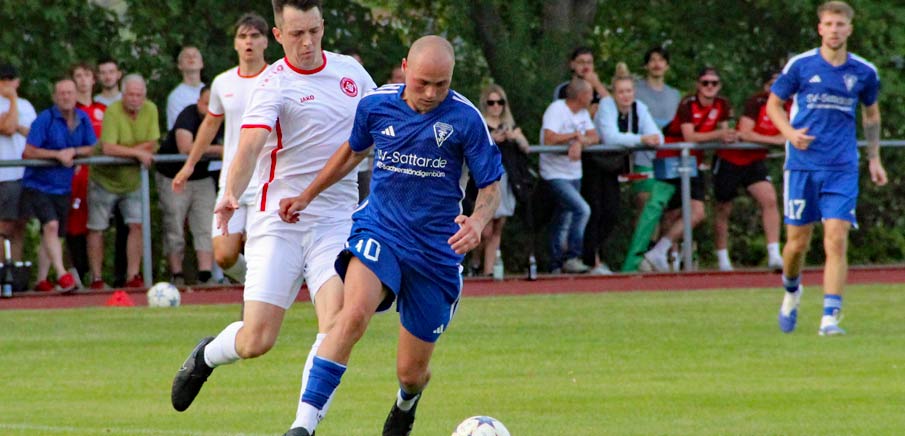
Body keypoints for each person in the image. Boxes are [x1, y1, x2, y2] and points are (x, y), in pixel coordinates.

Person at [276, 34, 503, 436]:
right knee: (351, 316)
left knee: (411, 373)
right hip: (380, 229)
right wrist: (307, 194)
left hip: (435, 251)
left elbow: (490, 186)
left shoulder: (466, 118)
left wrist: (477, 222)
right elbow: (352, 151)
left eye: (441, 84)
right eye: (422, 83)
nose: (431, 93)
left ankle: (407, 402)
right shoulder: (376, 105)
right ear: (405, 68)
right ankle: (303, 426)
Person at [169, 4, 377, 436]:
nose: (307, 42)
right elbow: (249, 146)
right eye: (297, 34)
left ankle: (303, 425)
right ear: (279, 35)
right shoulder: (273, 82)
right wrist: (231, 191)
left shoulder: (352, 74)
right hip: (278, 222)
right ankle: (207, 355)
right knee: (256, 340)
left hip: (336, 221)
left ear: (323, 26)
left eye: (314, 31)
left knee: (338, 323)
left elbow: (385, 121)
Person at [769, 1, 885, 336]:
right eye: (829, 24)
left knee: (836, 238)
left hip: (841, 166)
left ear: (850, 29)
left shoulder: (864, 72)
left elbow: (871, 115)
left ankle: (829, 318)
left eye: (840, 24)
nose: (834, 30)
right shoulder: (801, 65)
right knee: (796, 245)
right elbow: (774, 105)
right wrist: (790, 134)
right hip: (802, 165)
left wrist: (874, 158)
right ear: (820, 28)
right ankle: (792, 290)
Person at [172, 12, 270, 284]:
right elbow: (210, 125)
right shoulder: (223, 82)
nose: (249, 41)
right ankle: (258, 286)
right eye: (243, 36)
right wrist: (189, 165)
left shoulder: (277, 77)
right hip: (232, 181)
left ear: (266, 41)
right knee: (224, 256)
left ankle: (260, 299)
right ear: (235, 43)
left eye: (255, 36)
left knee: (259, 252)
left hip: (268, 180)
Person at [642, 67, 736, 272]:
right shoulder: (687, 104)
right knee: (673, 212)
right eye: (705, 82)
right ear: (698, 85)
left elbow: (724, 132)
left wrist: (728, 136)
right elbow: (690, 137)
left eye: (714, 83)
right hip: (671, 157)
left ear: (719, 86)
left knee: (696, 212)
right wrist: (719, 135)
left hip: (693, 161)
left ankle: (660, 251)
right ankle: (665, 256)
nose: (709, 86)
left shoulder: (722, 104)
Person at [21, 79, 96, 292]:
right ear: (55, 97)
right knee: (51, 225)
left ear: (76, 95)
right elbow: (29, 151)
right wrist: (57, 155)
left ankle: (42, 280)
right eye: (62, 93)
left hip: (63, 186)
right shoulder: (44, 119)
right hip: (39, 184)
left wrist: (74, 151)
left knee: (53, 232)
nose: (66, 97)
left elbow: (93, 147)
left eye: (70, 93)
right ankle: (63, 274)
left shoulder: (83, 118)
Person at [87, 74, 159, 289]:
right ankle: (97, 278)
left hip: (132, 180)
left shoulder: (151, 109)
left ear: (144, 96)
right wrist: (137, 154)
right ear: (123, 95)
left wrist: (126, 151)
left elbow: (153, 144)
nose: (135, 99)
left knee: (137, 224)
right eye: (130, 95)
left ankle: (133, 275)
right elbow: (108, 148)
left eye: (139, 95)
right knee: (97, 227)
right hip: (104, 179)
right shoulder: (112, 111)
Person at [591, 62, 662, 274]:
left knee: (616, 211)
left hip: (619, 165)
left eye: (629, 91)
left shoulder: (639, 108)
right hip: (598, 164)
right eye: (621, 92)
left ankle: (641, 256)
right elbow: (610, 137)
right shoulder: (606, 106)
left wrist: (648, 139)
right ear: (614, 93)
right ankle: (591, 259)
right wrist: (641, 139)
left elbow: (657, 137)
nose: (625, 96)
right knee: (599, 210)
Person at [712, 71, 785, 271]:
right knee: (723, 208)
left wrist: (781, 138)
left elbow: (791, 133)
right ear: (766, 87)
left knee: (769, 199)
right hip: (730, 159)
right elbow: (744, 133)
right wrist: (774, 140)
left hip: (754, 160)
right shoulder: (756, 102)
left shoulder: (790, 105)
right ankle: (723, 258)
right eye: (772, 84)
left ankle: (774, 254)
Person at [622, 46, 681, 272]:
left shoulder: (675, 94)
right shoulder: (635, 90)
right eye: (653, 60)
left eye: (661, 60)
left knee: (670, 210)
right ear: (646, 65)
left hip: (669, 159)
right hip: (644, 157)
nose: (657, 64)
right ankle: (639, 256)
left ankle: (661, 258)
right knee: (645, 204)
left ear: (667, 65)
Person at [156, 86, 218, 285]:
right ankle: (177, 275)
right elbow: (185, 147)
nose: (210, 109)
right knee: (174, 224)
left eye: (214, 104)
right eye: (206, 103)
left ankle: (205, 275)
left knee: (206, 225)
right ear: (198, 102)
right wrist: (221, 150)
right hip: (173, 176)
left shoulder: (224, 118)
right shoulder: (188, 115)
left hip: (202, 177)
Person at [541, 78, 598, 274]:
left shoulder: (583, 113)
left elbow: (594, 136)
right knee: (582, 209)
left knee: (565, 216)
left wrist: (580, 142)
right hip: (555, 173)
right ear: (581, 95)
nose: (592, 97)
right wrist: (574, 137)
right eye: (590, 93)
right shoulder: (556, 110)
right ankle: (573, 256)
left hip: (574, 172)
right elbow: (549, 138)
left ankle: (556, 263)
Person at [473, 83, 530, 276]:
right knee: (485, 229)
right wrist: (491, 139)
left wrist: (515, 137)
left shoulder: (510, 125)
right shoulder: (480, 124)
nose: (496, 106)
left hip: (508, 181)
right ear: (485, 104)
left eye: (500, 102)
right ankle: (476, 260)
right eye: (491, 102)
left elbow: (526, 148)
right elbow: (473, 149)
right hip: (487, 179)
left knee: (498, 227)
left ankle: (489, 272)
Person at [69, 62, 107, 286]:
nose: (83, 80)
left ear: (94, 80)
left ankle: (97, 277)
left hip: (101, 177)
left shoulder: (104, 110)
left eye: (86, 75)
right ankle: (75, 274)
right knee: (74, 227)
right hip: (76, 178)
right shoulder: (69, 111)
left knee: (97, 227)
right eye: (78, 75)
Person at [0, 63, 36, 264]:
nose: (7, 83)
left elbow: (35, 134)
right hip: (5, 175)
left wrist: (16, 125)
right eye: (3, 79)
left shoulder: (27, 106)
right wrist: (12, 99)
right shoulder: (11, 103)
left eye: (10, 79)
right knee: (4, 225)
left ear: (18, 82)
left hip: (25, 173)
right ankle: (2, 269)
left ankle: (15, 270)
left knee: (20, 225)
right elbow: (7, 128)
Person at [552, 47, 609, 117]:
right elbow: (560, 117)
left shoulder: (600, 89)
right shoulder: (563, 89)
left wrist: (597, 85)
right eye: (581, 62)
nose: (586, 66)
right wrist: (588, 113)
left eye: (589, 62)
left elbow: (613, 111)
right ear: (572, 65)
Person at [166, 46, 205, 130]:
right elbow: (179, 128)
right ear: (179, 65)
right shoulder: (175, 97)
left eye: (195, 56)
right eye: (187, 56)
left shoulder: (210, 92)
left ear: (202, 63)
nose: (191, 58)